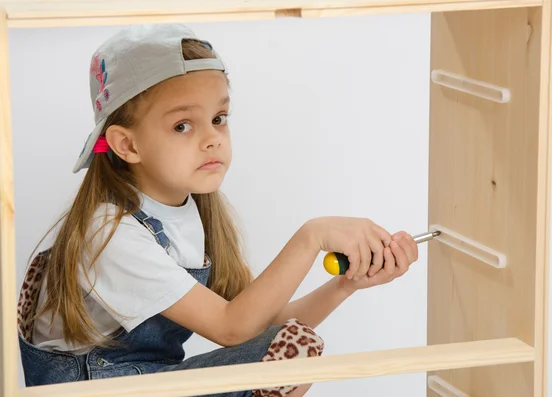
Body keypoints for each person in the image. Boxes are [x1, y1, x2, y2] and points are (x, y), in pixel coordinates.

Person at [16, 23, 418, 397]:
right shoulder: (109, 232)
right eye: (183, 126)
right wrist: (312, 236)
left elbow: (264, 323)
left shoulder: (194, 214)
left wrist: (347, 283)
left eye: (219, 118)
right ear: (127, 145)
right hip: (98, 390)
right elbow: (232, 326)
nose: (212, 139)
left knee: (288, 346)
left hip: (149, 382)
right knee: (287, 354)